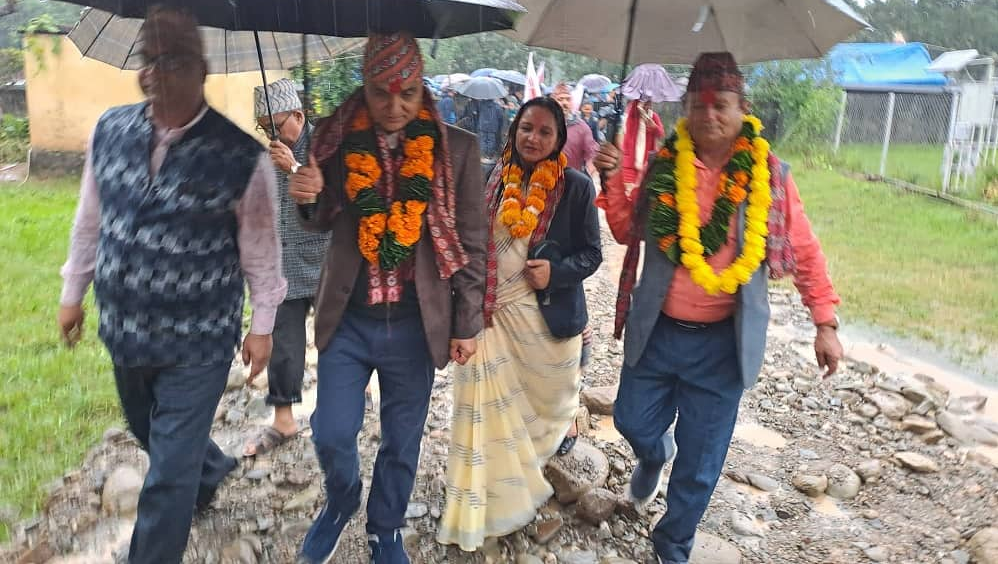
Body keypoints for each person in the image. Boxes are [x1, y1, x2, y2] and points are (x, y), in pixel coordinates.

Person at [593, 52, 844, 564]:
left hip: (722, 346)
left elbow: (805, 248)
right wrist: (612, 179)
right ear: (686, 108)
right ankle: (653, 453)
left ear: (741, 108)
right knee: (631, 421)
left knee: (702, 462)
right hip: (659, 330)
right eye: (699, 104)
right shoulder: (666, 164)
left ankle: (673, 544)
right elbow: (625, 231)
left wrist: (825, 322)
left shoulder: (769, 174)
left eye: (721, 104)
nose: (709, 114)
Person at [57, 6, 286, 564]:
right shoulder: (109, 130)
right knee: (149, 430)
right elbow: (90, 219)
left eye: (173, 60)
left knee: (164, 479)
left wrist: (262, 327)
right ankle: (206, 470)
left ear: (202, 69)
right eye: (148, 59)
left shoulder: (242, 157)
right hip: (126, 329)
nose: (155, 73)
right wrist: (72, 293)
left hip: (199, 340)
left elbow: (261, 250)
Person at [288, 32, 487, 564]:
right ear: (366, 88)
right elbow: (319, 218)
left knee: (402, 440)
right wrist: (306, 195)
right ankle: (341, 498)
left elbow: (471, 242)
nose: (394, 106)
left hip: (415, 324)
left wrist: (466, 321)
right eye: (381, 93)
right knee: (331, 431)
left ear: (422, 89)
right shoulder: (332, 141)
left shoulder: (459, 151)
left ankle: (384, 528)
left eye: (406, 93)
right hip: (349, 319)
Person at [437, 97, 602, 552]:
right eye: (526, 128)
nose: (533, 138)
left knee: (540, 412)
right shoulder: (490, 177)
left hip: (541, 322)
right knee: (480, 413)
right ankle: (481, 505)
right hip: (487, 317)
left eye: (545, 132)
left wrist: (558, 272)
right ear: (514, 130)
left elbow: (592, 254)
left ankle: (522, 481)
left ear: (559, 139)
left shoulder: (575, 186)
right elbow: (465, 242)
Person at [243, 79, 332, 457]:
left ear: (299, 115)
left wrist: (295, 166)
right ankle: (284, 417)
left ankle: (341, 404)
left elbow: (339, 200)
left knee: (335, 338)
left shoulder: (328, 147)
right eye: (264, 128)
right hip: (286, 264)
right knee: (284, 340)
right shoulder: (265, 159)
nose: (271, 135)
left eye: (276, 126)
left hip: (329, 260)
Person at [621, 97, 665, 196]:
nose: (647, 105)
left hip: (646, 161)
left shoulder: (654, 116)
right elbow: (627, 130)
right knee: (629, 193)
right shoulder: (632, 116)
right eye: (644, 102)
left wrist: (653, 126)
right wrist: (639, 111)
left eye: (649, 102)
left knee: (642, 193)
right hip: (630, 162)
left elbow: (661, 133)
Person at [552, 82, 597, 172]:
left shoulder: (582, 127)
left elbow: (591, 154)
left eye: (568, 99)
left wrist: (594, 175)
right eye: (560, 99)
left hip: (571, 180)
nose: (565, 103)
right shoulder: (543, 124)